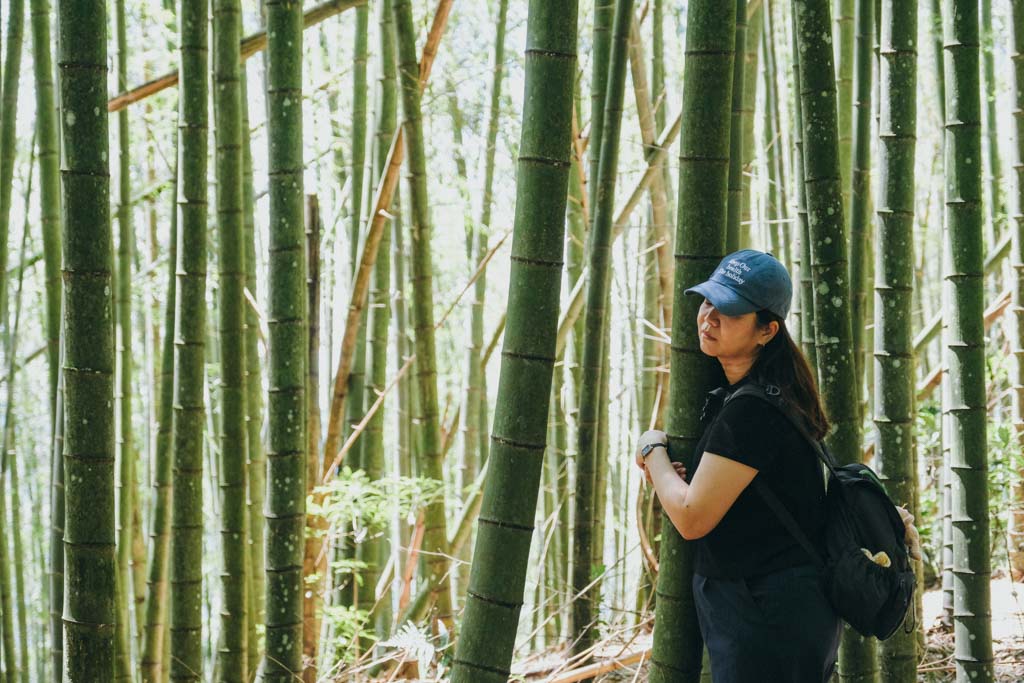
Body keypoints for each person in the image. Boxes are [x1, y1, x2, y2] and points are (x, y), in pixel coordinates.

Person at [634, 249, 917, 682]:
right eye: (707, 301)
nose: (709, 317)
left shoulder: (751, 411)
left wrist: (652, 449)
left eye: (729, 310)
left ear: (767, 330)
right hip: (781, 610)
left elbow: (691, 517)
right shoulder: (770, 392)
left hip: (766, 616)